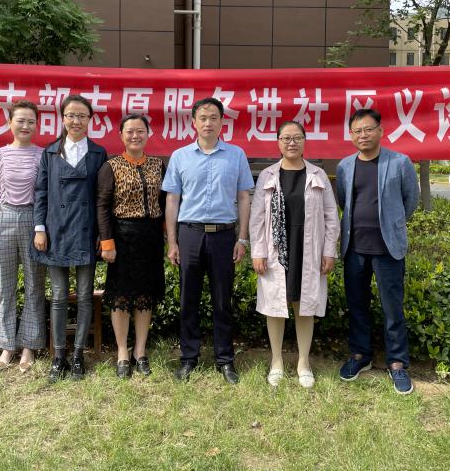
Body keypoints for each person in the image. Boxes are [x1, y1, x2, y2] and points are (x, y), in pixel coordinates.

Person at [163, 97, 254, 384]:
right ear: (193, 122)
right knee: (188, 298)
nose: (208, 123)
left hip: (225, 235)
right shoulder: (180, 156)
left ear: (222, 121)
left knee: (222, 300)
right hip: (190, 233)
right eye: (202, 118)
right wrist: (172, 242)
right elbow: (172, 200)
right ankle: (189, 357)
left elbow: (244, 197)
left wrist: (242, 238)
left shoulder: (236, 155)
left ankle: (225, 359)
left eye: (214, 117)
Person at [335, 108, 420, 394]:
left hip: (387, 249)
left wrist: (391, 224)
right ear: (351, 135)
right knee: (357, 304)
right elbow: (344, 201)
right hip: (354, 248)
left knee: (392, 308)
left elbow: (410, 201)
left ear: (381, 131)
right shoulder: (345, 166)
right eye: (357, 131)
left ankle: (397, 362)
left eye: (368, 129)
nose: (363, 135)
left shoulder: (399, 163)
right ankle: (361, 355)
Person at [249, 121, 339, 388]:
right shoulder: (267, 176)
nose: (291, 143)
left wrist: (329, 251)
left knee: (304, 306)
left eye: (297, 138)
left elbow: (331, 216)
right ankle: (276, 361)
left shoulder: (318, 175)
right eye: (286, 138)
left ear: (304, 141)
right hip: (276, 250)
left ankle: (303, 362)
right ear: (278, 142)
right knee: (275, 307)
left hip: (308, 247)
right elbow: (257, 218)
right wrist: (258, 251)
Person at [33, 95, 108, 382]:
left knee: (85, 296)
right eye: (71, 115)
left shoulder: (98, 153)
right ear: (62, 118)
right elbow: (41, 192)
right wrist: (40, 228)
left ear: (90, 119)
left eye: (82, 116)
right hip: (56, 231)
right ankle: (58, 357)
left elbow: (103, 198)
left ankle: (78, 356)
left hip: (87, 231)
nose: (76, 121)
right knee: (59, 296)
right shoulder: (50, 153)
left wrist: (103, 234)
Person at [96, 114, 166, 379]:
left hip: (151, 237)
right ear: (121, 136)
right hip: (122, 237)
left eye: (140, 131)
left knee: (146, 294)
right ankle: (122, 352)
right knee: (121, 296)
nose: (135, 136)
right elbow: (102, 207)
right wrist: (107, 242)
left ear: (148, 134)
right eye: (130, 132)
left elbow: (164, 202)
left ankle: (140, 350)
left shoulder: (158, 165)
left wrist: (168, 236)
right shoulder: (111, 166)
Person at [0, 100, 46, 373]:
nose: (25, 126)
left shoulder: (43, 155)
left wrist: (42, 228)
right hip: (5, 218)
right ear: (10, 123)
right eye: (20, 120)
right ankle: (7, 346)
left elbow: (44, 196)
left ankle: (29, 347)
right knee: (4, 286)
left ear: (37, 125)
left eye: (31, 121)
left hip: (34, 221)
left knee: (34, 285)